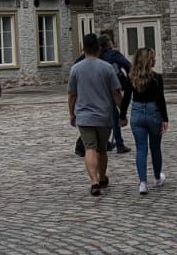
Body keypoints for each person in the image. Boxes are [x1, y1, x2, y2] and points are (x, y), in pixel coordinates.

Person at [68, 32, 123, 198]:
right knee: (102, 149)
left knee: (89, 148)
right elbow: (116, 93)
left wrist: (72, 113)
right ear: (98, 49)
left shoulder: (76, 69)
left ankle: (93, 181)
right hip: (104, 116)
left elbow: (72, 95)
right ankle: (102, 177)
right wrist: (123, 112)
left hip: (84, 117)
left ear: (83, 49)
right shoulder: (106, 68)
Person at [126, 47, 169, 194]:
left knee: (141, 148)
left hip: (137, 112)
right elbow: (160, 99)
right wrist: (165, 118)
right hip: (153, 112)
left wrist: (122, 115)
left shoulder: (131, 77)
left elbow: (126, 97)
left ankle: (143, 182)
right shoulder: (156, 78)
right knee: (155, 147)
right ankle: (157, 177)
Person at [98, 34, 132, 154]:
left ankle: (98, 142)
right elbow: (128, 66)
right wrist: (128, 82)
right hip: (111, 87)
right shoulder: (113, 54)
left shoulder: (96, 56)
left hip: (97, 89)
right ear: (109, 43)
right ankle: (119, 144)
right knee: (114, 114)